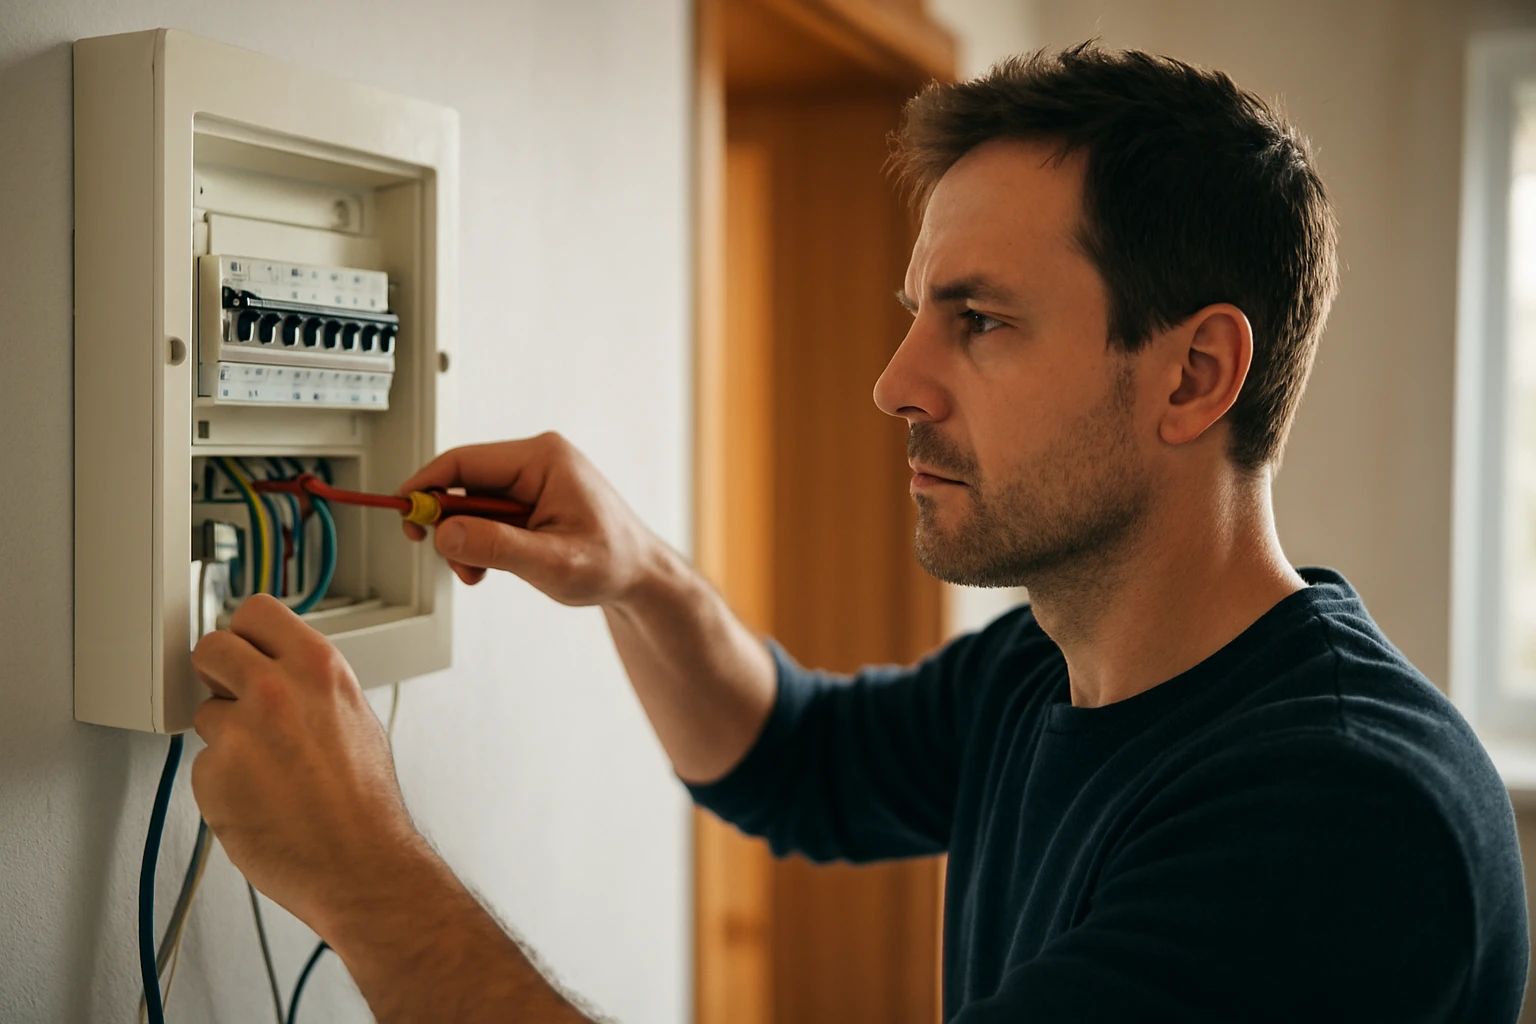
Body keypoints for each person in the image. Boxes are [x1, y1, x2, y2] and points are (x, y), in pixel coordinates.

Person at [189, 43, 1530, 1023]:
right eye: (916, 310)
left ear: (1193, 376)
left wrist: (367, 874)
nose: (896, 380)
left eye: (980, 319)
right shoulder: (1056, 660)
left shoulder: (1342, 822)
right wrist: (640, 575)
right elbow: (795, 760)